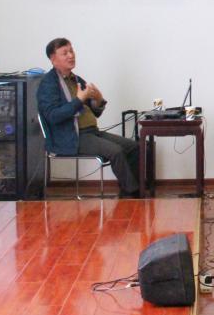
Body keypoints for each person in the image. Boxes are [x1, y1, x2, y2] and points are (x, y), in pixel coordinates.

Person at [36, 38, 140, 197]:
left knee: (133, 147)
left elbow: (95, 111)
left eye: (71, 51)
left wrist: (98, 100)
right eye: (65, 53)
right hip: (71, 137)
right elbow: (53, 116)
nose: (71, 55)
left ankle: (130, 188)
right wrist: (79, 100)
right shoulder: (48, 84)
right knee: (116, 151)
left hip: (91, 132)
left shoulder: (76, 80)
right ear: (53, 59)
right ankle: (132, 195)